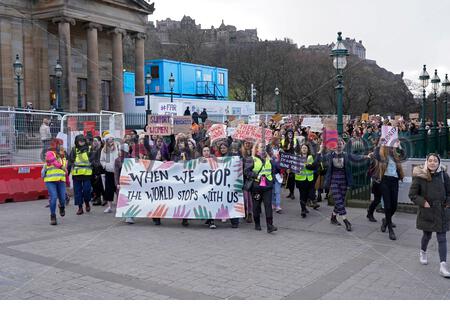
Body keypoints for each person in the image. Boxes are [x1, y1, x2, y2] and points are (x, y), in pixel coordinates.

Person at [409, 153, 450, 278]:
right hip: (427, 211)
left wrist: (448, 203)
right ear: (427, 162)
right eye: (430, 160)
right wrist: (423, 202)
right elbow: (413, 195)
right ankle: (423, 252)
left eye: (435, 161)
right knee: (427, 235)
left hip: (441, 211)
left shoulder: (444, 175)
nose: (433, 163)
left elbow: (449, 192)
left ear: (439, 163)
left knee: (442, 238)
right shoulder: (420, 176)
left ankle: (443, 266)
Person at [321, 139, 369, 232]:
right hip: (334, 180)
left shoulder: (346, 155)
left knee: (340, 201)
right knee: (338, 200)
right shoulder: (330, 155)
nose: (339, 145)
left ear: (343, 146)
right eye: (337, 144)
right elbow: (321, 158)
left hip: (344, 181)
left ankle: (333, 217)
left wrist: (366, 156)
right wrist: (320, 149)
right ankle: (346, 220)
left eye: (341, 144)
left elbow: (356, 157)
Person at [372, 143, 404, 240]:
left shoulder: (395, 155)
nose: (391, 147)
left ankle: (386, 220)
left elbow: (404, 155)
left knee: (394, 206)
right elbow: (375, 154)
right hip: (384, 180)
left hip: (394, 181)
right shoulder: (382, 155)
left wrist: (399, 146)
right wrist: (380, 143)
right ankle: (390, 229)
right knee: (388, 206)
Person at [244, 142, 278, 233]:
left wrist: (271, 160)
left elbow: (275, 170)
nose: (263, 148)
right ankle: (257, 224)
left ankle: (270, 226)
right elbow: (246, 171)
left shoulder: (269, 158)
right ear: (257, 149)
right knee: (256, 206)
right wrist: (256, 176)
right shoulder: (252, 159)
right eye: (261, 147)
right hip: (256, 186)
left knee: (268, 206)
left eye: (264, 147)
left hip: (267, 186)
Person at [68, 134, 93, 215]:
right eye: (80, 141)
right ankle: (80, 208)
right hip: (76, 175)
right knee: (77, 192)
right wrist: (67, 173)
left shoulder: (89, 149)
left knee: (86, 190)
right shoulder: (74, 150)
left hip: (87, 174)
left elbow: (93, 160)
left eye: (83, 141)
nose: (81, 142)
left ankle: (87, 203)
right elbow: (70, 161)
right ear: (77, 141)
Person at [42, 150, 67, 225]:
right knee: (53, 197)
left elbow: (65, 171)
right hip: (50, 182)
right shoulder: (46, 165)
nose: (49, 160)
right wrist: (44, 171)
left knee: (62, 198)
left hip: (60, 181)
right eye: (47, 158)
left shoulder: (61, 162)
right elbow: (42, 175)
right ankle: (53, 216)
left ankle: (61, 206)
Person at [294, 144, 316, 218]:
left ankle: (305, 207)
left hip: (309, 179)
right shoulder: (297, 157)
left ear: (307, 149)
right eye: (303, 148)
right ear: (301, 149)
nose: (304, 149)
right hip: (300, 180)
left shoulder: (310, 157)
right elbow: (294, 168)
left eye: (305, 148)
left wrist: (305, 165)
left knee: (307, 195)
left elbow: (313, 167)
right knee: (302, 195)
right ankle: (303, 210)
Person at [115, 143, 134, 224]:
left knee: (131, 198)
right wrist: (117, 183)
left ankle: (130, 215)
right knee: (124, 198)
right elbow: (116, 173)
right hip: (122, 182)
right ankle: (127, 215)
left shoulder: (132, 159)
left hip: (131, 182)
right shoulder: (117, 160)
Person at [100, 135, 119, 213]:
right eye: (109, 140)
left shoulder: (117, 148)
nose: (111, 141)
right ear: (106, 141)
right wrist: (105, 165)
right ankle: (109, 207)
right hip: (109, 172)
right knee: (108, 190)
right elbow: (102, 160)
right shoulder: (104, 150)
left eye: (112, 139)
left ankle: (119, 206)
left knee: (118, 189)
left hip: (117, 172)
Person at [241, 139, 254, 223]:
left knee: (250, 198)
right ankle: (245, 211)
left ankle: (250, 213)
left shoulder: (254, 153)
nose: (247, 144)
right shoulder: (240, 154)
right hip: (243, 178)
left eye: (249, 143)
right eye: (246, 143)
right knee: (245, 197)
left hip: (252, 178)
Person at [91, 136, 106, 206]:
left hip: (101, 169)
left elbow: (102, 159)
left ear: (100, 142)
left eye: (96, 141)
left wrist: (97, 164)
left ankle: (104, 198)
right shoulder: (92, 149)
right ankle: (98, 199)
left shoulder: (102, 149)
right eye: (94, 141)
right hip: (93, 169)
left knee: (101, 184)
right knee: (95, 185)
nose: (94, 142)